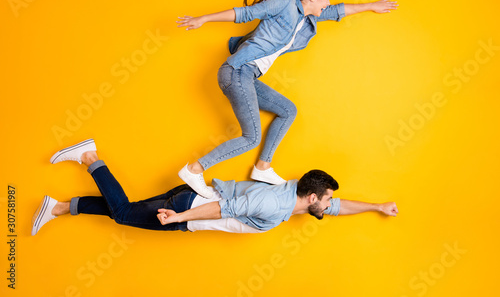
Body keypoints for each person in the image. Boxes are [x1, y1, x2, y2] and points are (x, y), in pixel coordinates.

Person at [176, 0, 398, 198]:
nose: (329, 2)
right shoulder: (284, 3)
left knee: (288, 110)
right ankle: (195, 169)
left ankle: (262, 167)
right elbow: (245, 14)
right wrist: (203, 19)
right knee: (251, 137)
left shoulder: (308, 18)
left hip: (249, 76)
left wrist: (372, 5)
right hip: (237, 70)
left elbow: (337, 11)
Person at [32, 139, 398, 235]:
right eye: (327, 200)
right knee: (125, 213)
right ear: (313, 197)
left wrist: (377, 207)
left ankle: (61, 208)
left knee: (122, 209)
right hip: (193, 209)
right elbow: (224, 211)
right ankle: (89, 156)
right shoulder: (274, 204)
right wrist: (180, 217)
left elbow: (340, 207)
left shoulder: (296, 199)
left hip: (193, 202)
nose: (329, 206)